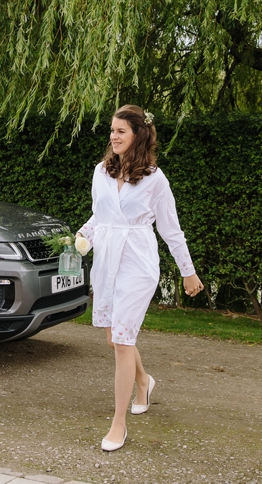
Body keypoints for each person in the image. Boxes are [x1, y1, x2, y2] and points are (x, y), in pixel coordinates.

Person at [76, 105, 203, 453]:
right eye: (112, 131)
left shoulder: (155, 180)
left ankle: (118, 423)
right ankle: (144, 381)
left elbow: (170, 229)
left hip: (137, 262)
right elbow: (100, 215)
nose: (113, 137)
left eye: (121, 131)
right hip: (106, 260)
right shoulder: (100, 172)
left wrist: (187, 270)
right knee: (116, 340)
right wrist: (80, 236)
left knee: (122, 339)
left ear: (138, 134)